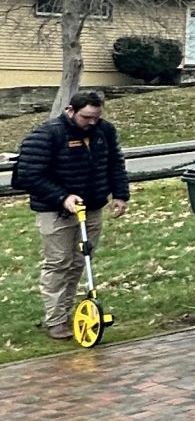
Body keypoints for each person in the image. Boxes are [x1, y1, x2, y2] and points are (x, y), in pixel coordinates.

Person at [12, 88, 132, 340]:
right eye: (86, 117)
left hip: (92, 206)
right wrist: (62, 197)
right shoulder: (47, 134)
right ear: (70, 111)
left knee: (80, 262)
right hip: (56, 211)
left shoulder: (104, 131)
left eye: (95, 117)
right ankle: (55, 320)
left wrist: (120, 194)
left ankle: (67, 313)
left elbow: (114, 163)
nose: (91, 122)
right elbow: (27, 175)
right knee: (59, 263)